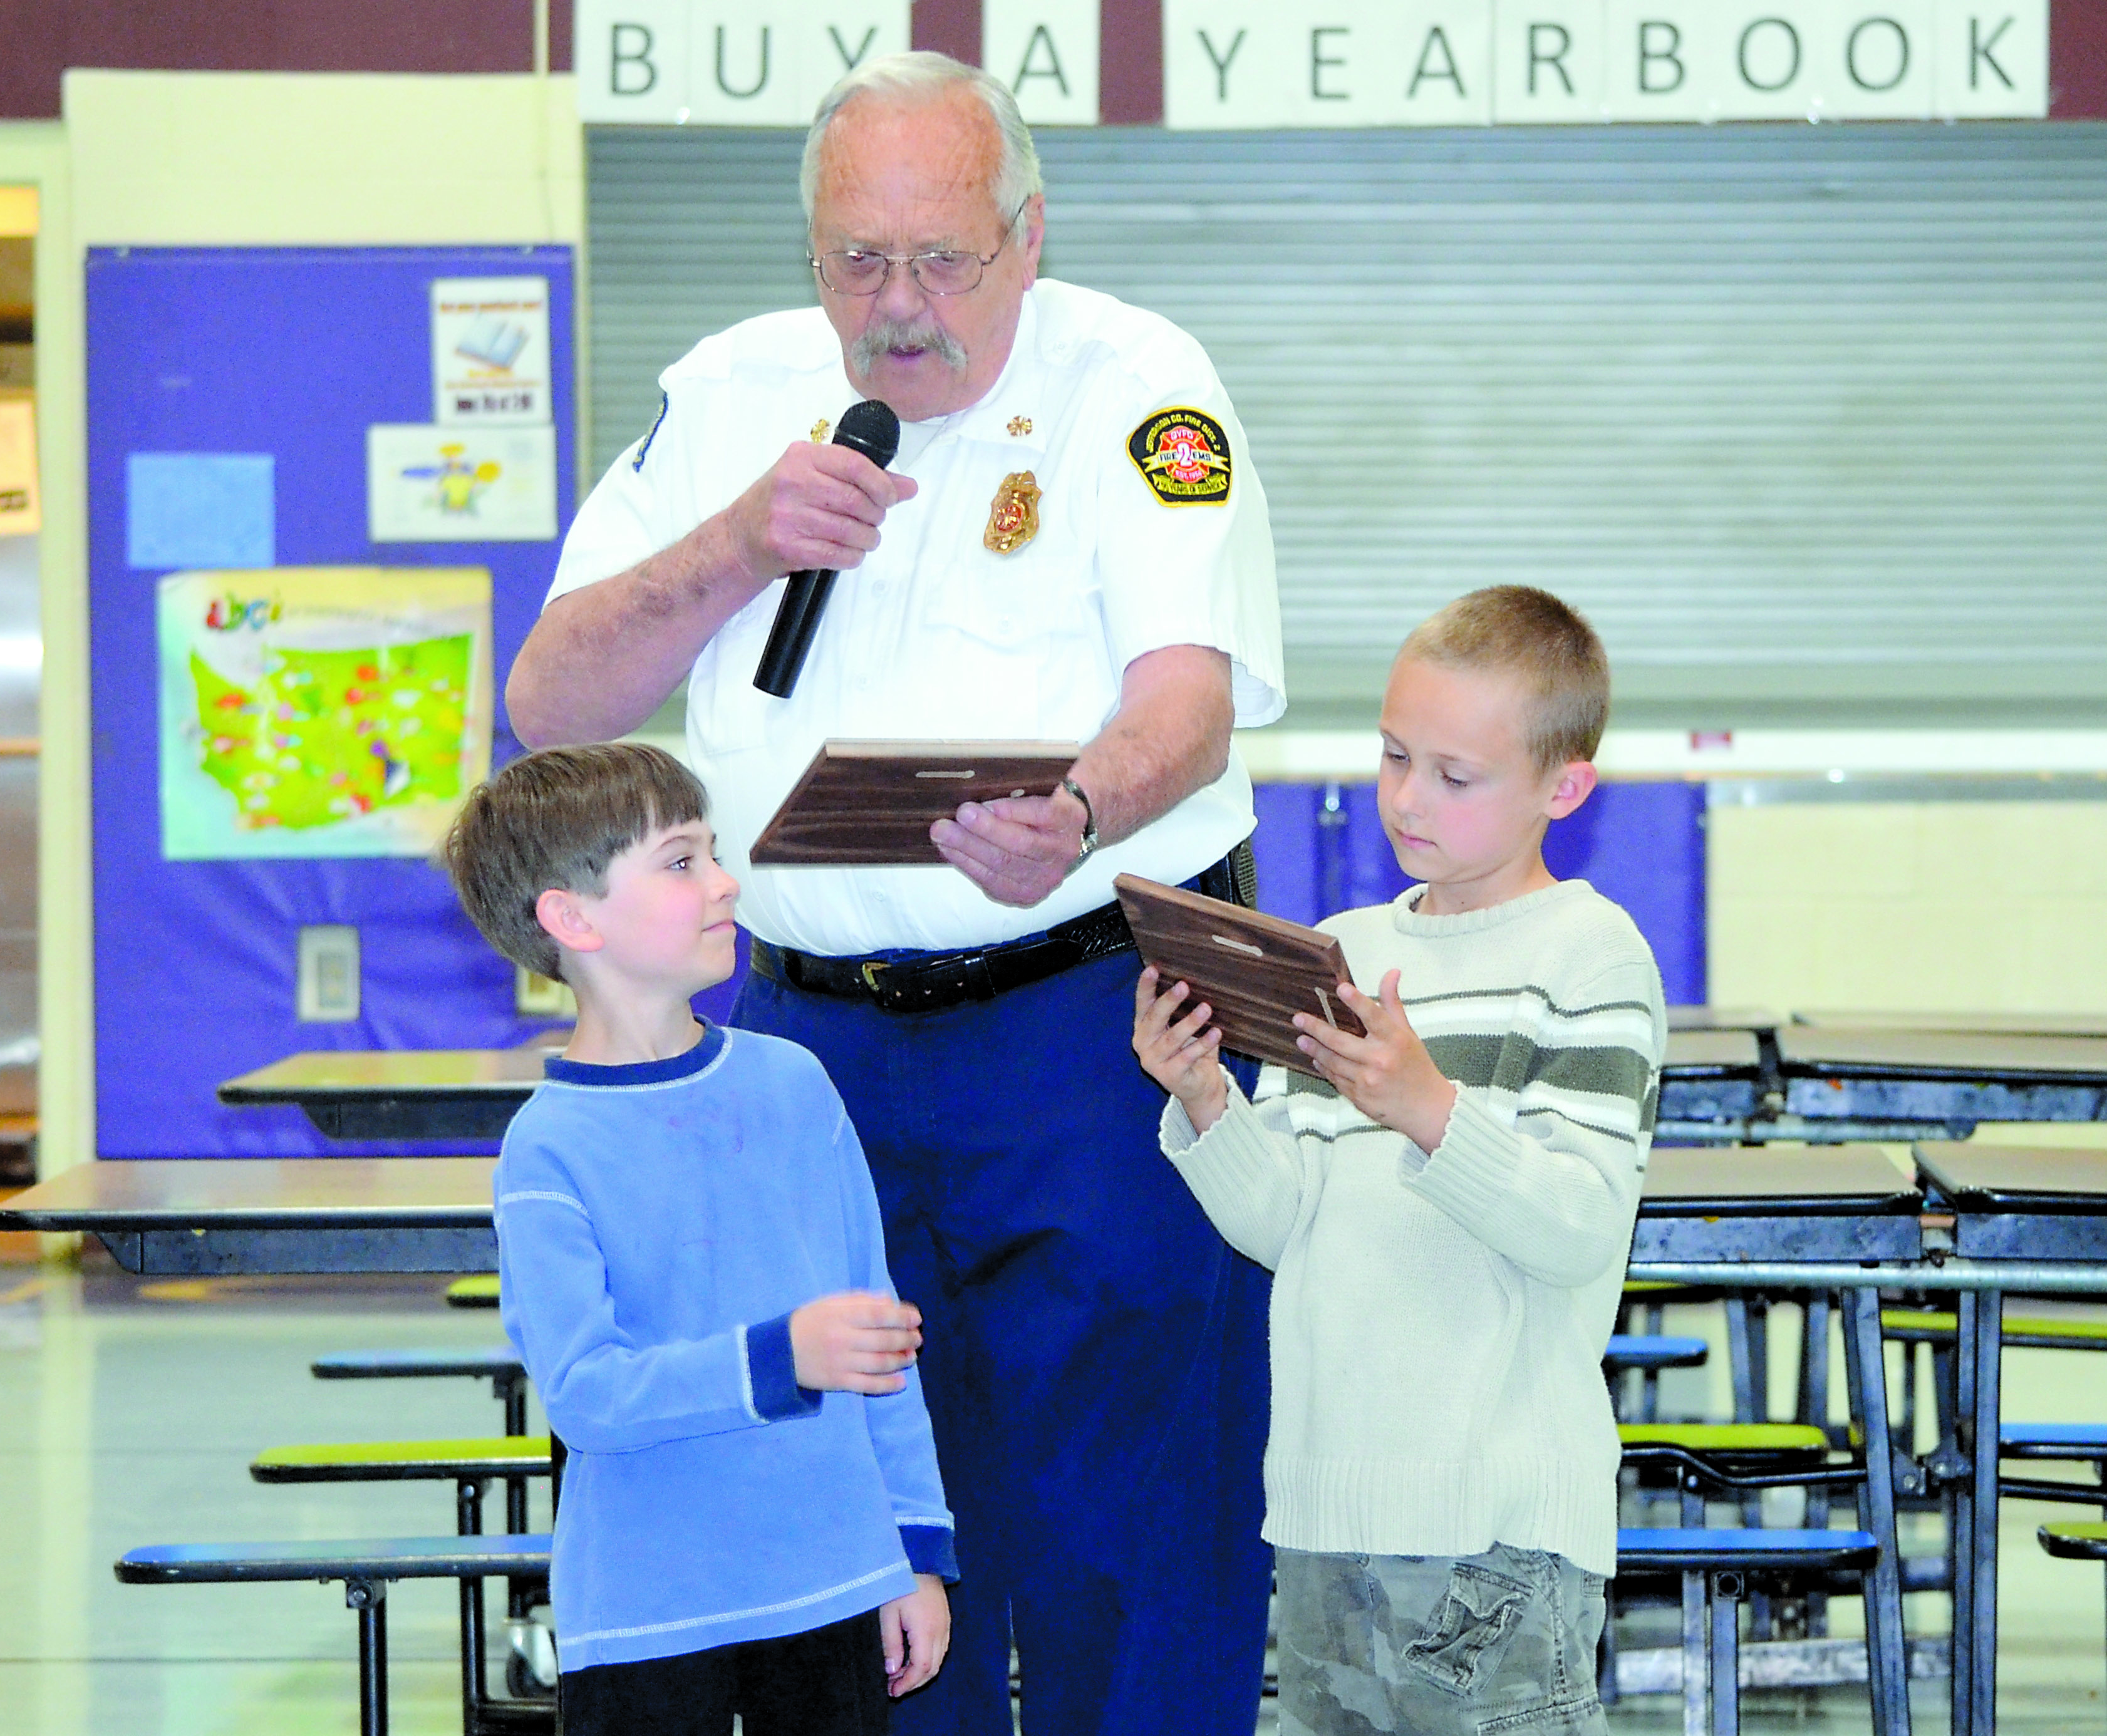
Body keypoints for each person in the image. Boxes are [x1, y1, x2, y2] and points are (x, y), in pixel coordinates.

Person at [505, 50, 1284, 1736]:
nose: (901, 305)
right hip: (809, 1054)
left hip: (1099, 1020)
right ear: (810, 255)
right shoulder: (730, 392)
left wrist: (1084, 805)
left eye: (945, 260)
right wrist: (734, 545)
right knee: (861, 1529)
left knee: (1128, 1523)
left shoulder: (1141, 385)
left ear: (1027, 232)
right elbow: (549, 702)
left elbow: (1187, 701)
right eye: (859, 262)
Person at [1134, 586, 1667, 1736]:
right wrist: (1204, 1099)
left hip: (1497, 1526)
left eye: (1453, 775)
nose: (1406, 799)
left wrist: (1428, 1108)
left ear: (1561, 788)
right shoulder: (1356, 950)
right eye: (1391, 757)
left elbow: (1579, 1226)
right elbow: (1289, 1227)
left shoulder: (1591, 956)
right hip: (1326, 1512)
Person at [443, 741, 956, 1735]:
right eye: (682, 862)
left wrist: (912, 1550)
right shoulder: (549, 1146)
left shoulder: (794, 1084)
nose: (725, 883)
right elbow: (585, 1395)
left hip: (835, 1589)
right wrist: (778, 1358)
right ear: (571, 916)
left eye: (714, 853)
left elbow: (883, 1346)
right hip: (647, 1618)